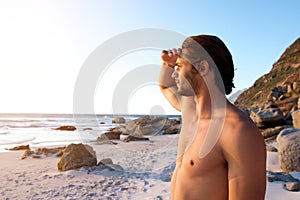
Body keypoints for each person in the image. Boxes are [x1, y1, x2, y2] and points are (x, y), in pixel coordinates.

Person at [159, 35, 266, 200]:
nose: (174, 74)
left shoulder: (238, 132)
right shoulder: (190, 112)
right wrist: (168, 63)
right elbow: (165, 86)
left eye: (179, 66)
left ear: (202, 67)